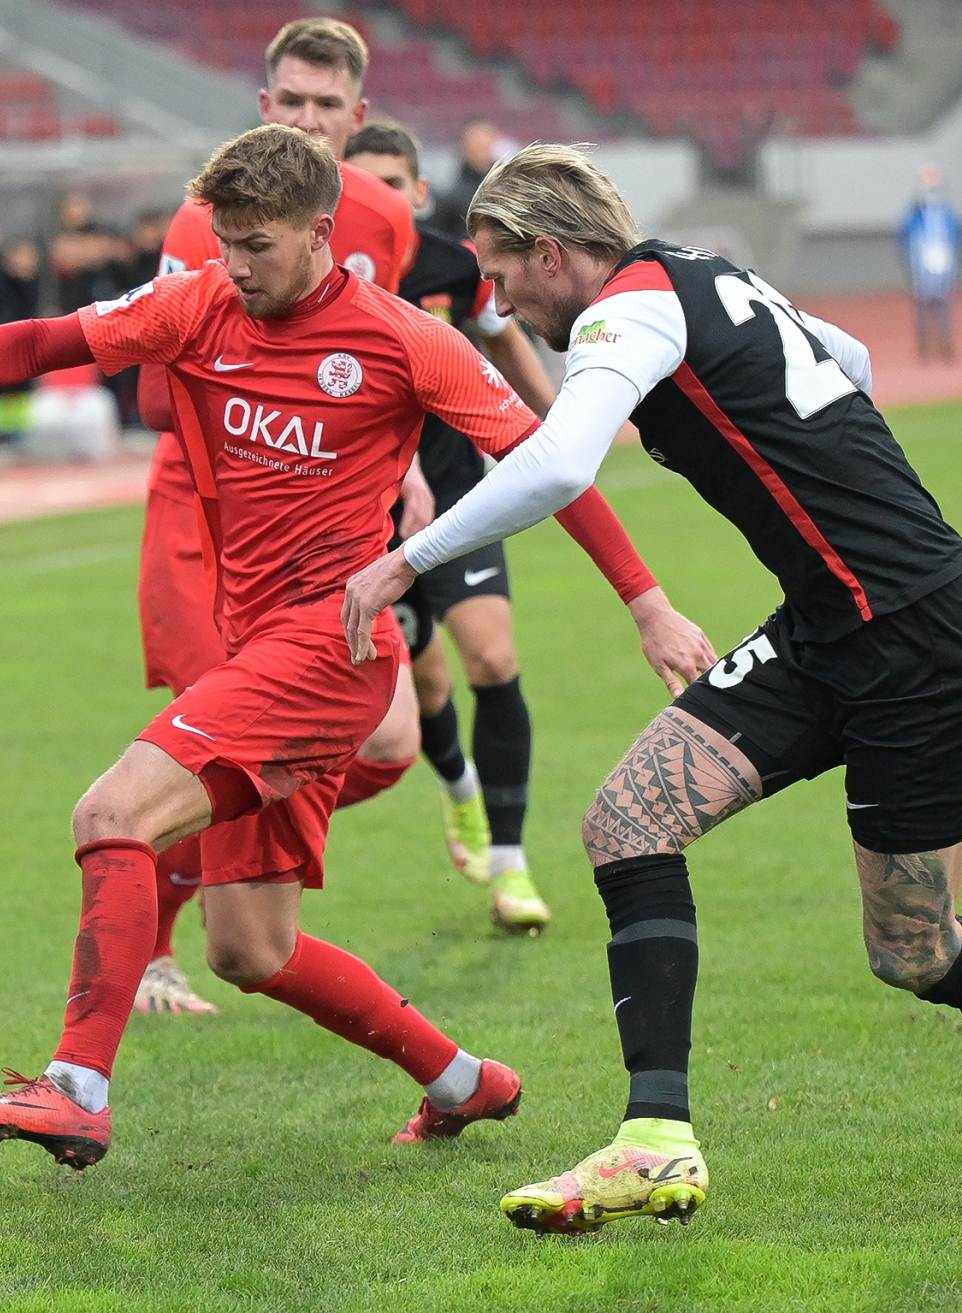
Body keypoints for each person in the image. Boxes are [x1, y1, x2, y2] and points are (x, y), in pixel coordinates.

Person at [0, 124, 682, 1170]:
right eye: (224, 242)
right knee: (250, 948)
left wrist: (646, 601)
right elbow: (45, 341)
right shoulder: (197, 307)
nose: (234, 265)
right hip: (258, 651)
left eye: (256, 245)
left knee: (110, 814)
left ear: (320, 233)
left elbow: (550, 468)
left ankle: (77, 1088)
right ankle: (464, 1080)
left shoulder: (405, 339)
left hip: (331, 650)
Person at [344, 144, 962, 1233]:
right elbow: (850, 358)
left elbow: (560, 462)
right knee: (627, 822)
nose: (496, 302)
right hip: (830, 628)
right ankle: (654, 1138)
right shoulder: (702, 273)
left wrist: (407, 560)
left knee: (913, 951)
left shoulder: (625, 310)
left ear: (551, 252)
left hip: (922, 643)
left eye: (501, 274)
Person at [131, 16, 430, 1014]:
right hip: (211, 518)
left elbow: (390, 369)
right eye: (290, 102)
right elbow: (154, 398)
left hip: (328, 533)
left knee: (390, 741)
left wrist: (396, 471)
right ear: (263, 106)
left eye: (324, 105)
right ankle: (150, 944)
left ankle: (204, 865)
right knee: (216, 744)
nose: (306, 120)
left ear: (359, 113)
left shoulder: (385, 219)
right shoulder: (205, 221)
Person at [345, 120, 572, 931]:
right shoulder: (325, 276)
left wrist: (559, 422)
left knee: (494, 657)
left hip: (454, 493)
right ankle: (461, 789)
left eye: (390, 183)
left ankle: (510, 865)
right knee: (429, 685)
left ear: (418, 190)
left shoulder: (456, 265)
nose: (375, 198)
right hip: (366, 512)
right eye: (358, 183)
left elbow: (501, 337)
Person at [900, 163, 962, 361]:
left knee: (943, 301)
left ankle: (945, 344)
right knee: (922, 302)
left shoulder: (946, 213)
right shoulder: (915, 214)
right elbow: (905, 235)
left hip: (943, 258)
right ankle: (924, 346)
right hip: (922, 259)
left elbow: (956, 234)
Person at [432, 118, 508, 237]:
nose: (480, 145)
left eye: (484, 141)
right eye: (475, 142)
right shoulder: (451, 196)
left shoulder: (510, 185)